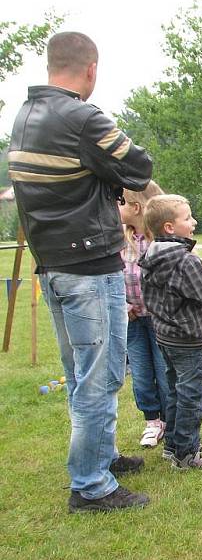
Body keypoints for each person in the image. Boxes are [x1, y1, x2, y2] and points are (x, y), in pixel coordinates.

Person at [8, 32, 153, 512]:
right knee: (102, 375)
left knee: (80, 374)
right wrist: (108, 174)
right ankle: (91, 484)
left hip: (52, 265)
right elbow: (138, 166)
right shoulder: (81, 117)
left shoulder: (25, 117)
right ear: (91, 69)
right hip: (90, 267)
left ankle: (103, 455)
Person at [139, 194, 202, 470]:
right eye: (187, 217)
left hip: (164, 337)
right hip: (187, 340)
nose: (194, 221)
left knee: (175, 391)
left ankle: (173, 444)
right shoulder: (185, 261)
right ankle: (187, 454)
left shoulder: (150, 255)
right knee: (191, 396)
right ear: (169, 227)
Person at [119, 181, 170, 448]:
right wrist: (123, 307)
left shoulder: (162, 242)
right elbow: (113, 276)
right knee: (140, 372)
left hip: (160, 320)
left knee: (164, 372)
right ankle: (152, 421)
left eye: (120, 202)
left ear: (136, 206)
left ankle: (170, 421)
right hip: (133, 320)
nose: (116, 207)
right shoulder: (120, 239)